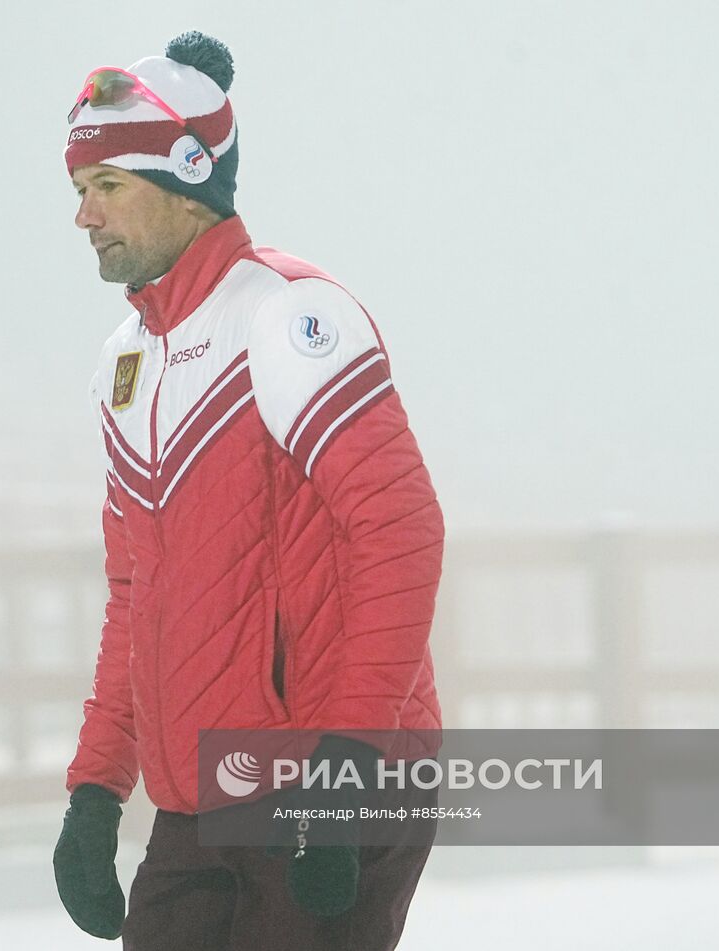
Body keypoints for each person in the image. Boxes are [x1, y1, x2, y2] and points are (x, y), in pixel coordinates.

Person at [53, 31, 446, 951]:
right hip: (205, 791)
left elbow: (403, 534)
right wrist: (96, 790)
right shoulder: (126, 361)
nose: (84, 216)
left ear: (189, 178)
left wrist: (344, 770)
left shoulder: (289, 315)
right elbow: (134, 596)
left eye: (107, 186)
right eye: (79, 191)